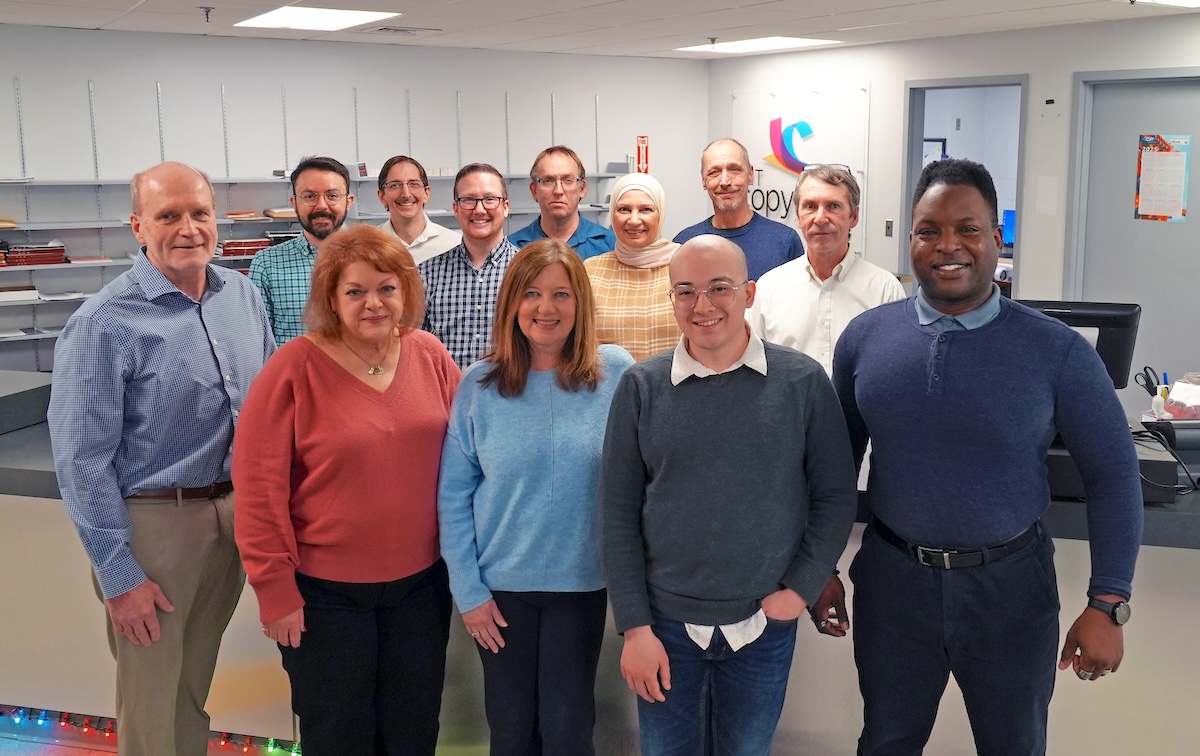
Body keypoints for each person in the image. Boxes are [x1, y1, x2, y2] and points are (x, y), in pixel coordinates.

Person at [833, 158, 1143, 755]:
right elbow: (835, 464)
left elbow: (1112, 474)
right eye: (929, 231)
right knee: (886, 741)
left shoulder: (1056, 350)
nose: (948, 245)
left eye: (968, 229)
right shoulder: (866, 339)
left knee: (1014, 744)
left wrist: (1109, 601)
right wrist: (820, 564)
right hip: (894, 585)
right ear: (911, 239)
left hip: (1011, 591)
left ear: (996, 238)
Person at [47, 161, 275, 756]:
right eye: (168, 215)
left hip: (232, 517)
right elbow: (81, 459)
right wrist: (120, 577)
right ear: (138, 226)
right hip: (155, 529)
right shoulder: (103, 323)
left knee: (192, 690)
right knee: (151, 702)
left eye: (199, 213)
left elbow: (269, 409)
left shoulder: (242, 296)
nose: (188, 228)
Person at [599, 234, 858, 756]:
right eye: (685, 291)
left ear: (749, 293)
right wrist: (635, 627)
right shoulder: (641, 387)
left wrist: (800, 589)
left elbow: (834, 496)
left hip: (763, 623)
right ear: (671, 298)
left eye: (719, 288)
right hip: (664, 628)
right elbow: (617, 514)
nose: (703, 306)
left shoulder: (802, 382)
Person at [233, 224, 461, 755]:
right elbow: (259, 487)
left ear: (406, 291)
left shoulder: (429, 354)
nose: (373, 303)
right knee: (339, 736)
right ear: (331, 299)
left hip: (422, 590)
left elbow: (471, 451)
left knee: (413, 730)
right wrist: (274, 590)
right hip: (324, 598)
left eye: (386, 288)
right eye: (355, 291)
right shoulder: (293, 367)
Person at [437, 240, 634, 755]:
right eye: (531, 293)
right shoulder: (479, 384)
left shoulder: (616, 373)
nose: (546, 308)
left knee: (568, 732)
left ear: (580, 303)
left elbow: (640, 477)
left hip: (580, 584)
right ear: (512, 303)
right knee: (511, 733)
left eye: (561, 294)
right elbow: (453, 498)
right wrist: (469, 593)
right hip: (500, 592)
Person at [749, 163, 905, 377]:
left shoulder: (885, 292)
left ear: (854, 216)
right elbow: (753, 368)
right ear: (798, 216)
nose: (820, 218)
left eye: (833, 206)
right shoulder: (768, 290)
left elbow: (894, 371)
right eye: (810, 206)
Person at [419, 162, 519, 369]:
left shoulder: (528, 271)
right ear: (456, 208)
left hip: (512, 388)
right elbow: (415, 349)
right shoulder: (426, 274)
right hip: (447, 390)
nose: (479, 209)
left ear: (506, 207)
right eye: (468, 200)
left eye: (490, 199)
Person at [249, 156, 355, 343]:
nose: (321, 205)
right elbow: (257, 341)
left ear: (348, 201)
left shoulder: (373, 258)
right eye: (309, 196)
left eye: (332, 196)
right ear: (294, 203)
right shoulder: (266, 264)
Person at [673, 138, 803, 281]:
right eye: (714, 172)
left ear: (750, 174)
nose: (725, 182)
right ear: (703, 180)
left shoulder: (785, 242)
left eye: (734, 170)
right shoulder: (684, 244)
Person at [583, 173, 680, 360]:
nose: (634, 220)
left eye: (646, 210)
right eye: (624, 209)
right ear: (612, 213)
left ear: (661, 213)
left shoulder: (686, 266)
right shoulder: (591, 271)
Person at [508, 145, 615, 260]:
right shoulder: (513, 249)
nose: (558, 191)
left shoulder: (610, 245)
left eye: (568, 180)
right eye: (548, 181)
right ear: (534, 190)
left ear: (582, 189)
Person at [376, 154, 462, 264]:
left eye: (414, 184)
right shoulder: (369, 245)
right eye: (395, 185)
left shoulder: (454, 244)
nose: (406, 194)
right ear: (382, 196)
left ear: (426, 193)